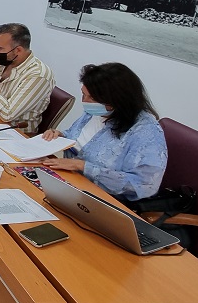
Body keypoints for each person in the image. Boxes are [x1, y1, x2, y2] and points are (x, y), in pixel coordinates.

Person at [42, 63, 167, 201]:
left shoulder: (145, 132)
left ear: (115, 101)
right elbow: (77, 137)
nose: (85, 102)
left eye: (92, 98)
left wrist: (82, 166)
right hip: (69, 179)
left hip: (103, 198)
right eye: (83, 94)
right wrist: (60, 134)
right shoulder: (95, 111)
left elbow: (143, 185)